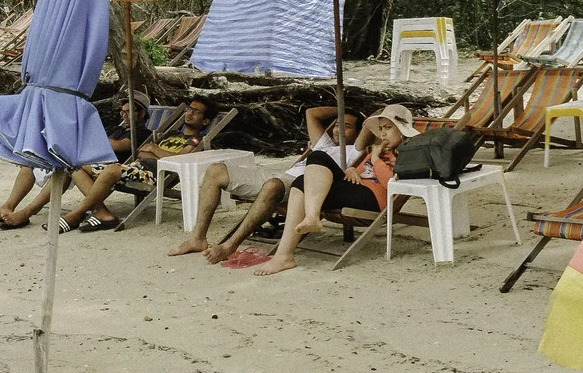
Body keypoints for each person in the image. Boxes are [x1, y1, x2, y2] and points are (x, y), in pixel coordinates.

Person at [165, 105, 357, 262]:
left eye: (347, 126)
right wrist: (344, 106)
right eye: (337, 124)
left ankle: (231, 245)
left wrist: (361, 115)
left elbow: (370, 128)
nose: (338, 129)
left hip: (302, 186)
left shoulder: (355, 151)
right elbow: (311, 113)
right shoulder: (324, 144)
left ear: (358, 132)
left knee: (272, 185)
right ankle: (198, 238)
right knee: (216, 171)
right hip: (281, 174)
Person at [252, 104, 416, 277]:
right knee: (304, 176)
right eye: (381, 128)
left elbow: (391, 184)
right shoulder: (379, 149)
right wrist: (353, 170)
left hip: (374, 200)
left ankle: (308, 221)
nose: (382, 134)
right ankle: (286, 253)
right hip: (357, 190)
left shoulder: (409, 152)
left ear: (402, 130)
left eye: (388, 128)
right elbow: (358, 170)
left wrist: (375, 159)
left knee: (316, 161)